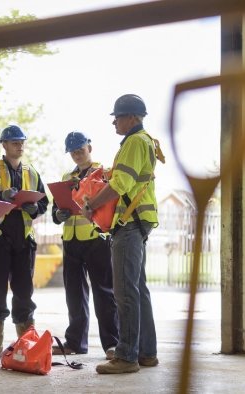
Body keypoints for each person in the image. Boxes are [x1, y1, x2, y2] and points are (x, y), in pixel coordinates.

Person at [82, 94, 164, 374]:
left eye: (117, 117)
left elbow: (120, 184)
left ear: (131, 117)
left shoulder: (133, 142)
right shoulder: (145, 141)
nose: (114, 122)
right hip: (139, 221)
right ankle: (147, 353)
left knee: (125, 291)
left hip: (129, 224)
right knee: (138, 290)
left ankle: (127, 356)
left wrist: (91, 203)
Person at [0, 125, 49, 358]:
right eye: (14, 142)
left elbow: (44, 203)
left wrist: (34, 208)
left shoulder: (32, 173)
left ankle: (27, 343)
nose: (19, 146)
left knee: (24, 293)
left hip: (24, 242)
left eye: (22, 142)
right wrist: (1, 197)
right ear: (4, 145)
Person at [50, 131, 119, 360]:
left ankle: (112, 343)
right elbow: (55, 212)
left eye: (80, 149)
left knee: (104, 294)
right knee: (74, 296)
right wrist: (58, 214)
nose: (77, 154)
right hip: (71, 242)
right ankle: (75, 342)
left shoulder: (105, 173)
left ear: (90, 147)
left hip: (96, 240)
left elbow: (109, 203)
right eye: (73, 151)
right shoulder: (65, 178)